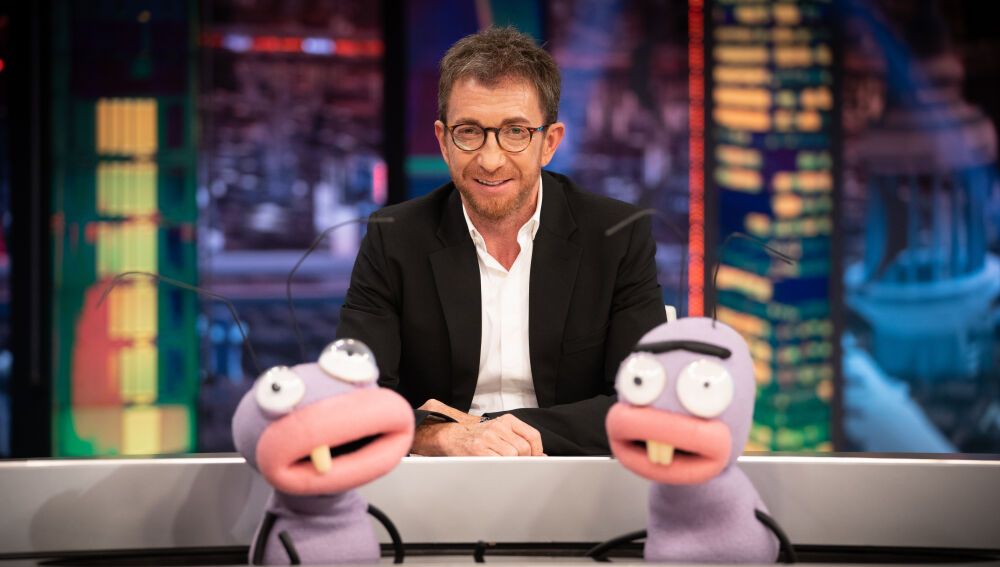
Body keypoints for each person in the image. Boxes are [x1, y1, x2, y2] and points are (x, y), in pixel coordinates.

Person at [336, 26, 665, 456]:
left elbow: (643, 406)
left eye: (515, 132)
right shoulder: (394, 238)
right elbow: (355, 401)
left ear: (549, 143)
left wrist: (485, 430)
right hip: (439, 476)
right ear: (443, 141)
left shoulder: (617, 235)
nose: (490, 160)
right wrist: (438, 436)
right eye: (469, 131)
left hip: (569, 473)